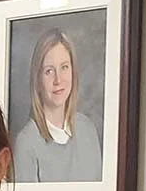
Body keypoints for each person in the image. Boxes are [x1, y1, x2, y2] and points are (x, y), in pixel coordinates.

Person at [13, 28, 102, 182]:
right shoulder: (27, 143)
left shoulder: (88, 129)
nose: (58, 80)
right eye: (49, 71)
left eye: (64, 67)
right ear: (38, 80)